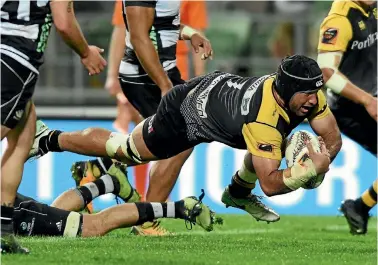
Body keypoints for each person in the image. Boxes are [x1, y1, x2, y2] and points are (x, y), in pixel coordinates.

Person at [28, 55, 342, 223]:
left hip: (223, 99)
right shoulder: (263, 120)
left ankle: (236, 192)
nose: (313, 101)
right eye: (307, 94)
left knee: (270, 149)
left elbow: (332, 137)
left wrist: (322, 159)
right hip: (187, 109)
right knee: (126, 150)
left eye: (317, 93)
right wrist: (307, 171)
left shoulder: (306, 94)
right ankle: (48, 138)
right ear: (285, 89)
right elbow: (271, 184)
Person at [32, 0, 214, 236]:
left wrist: (191, 33)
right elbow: (137, 35)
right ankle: (144, 219)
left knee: (159, 144)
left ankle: (100, 169)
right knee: (176, 141)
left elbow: (161, 25)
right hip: (145, 76)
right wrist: (164, 85)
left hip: (164, 72)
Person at [1, 0, 107, 254]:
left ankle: (3, 233)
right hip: (15, 56)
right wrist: (85, 52)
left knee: (23, 138)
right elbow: (63, 20)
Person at [316, 0, 377, 235]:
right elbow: (326, 71)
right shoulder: (340, 20)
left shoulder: (371, 7)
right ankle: (360, 207)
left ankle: (359, 208)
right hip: (350, 106)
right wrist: (367, 100)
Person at [11, 188, 218, 239]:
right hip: (11, 206)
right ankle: (107, 182)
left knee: (93, 226)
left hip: (13, 215)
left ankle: (181, 208)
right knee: (56, 212)